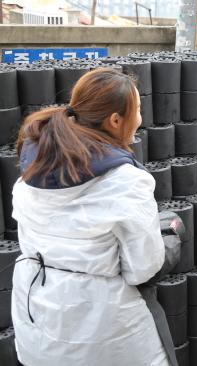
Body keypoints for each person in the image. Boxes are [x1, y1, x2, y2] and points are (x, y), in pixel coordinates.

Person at [10, 68, 174, 366]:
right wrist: (170, 242)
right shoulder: (125, 182)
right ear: (115, 120)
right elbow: (143, 269)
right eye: (137, 110)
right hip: (100, 328)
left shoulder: (31, 172)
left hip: (38, 314)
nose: (139, 119)